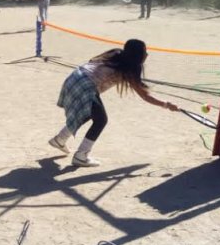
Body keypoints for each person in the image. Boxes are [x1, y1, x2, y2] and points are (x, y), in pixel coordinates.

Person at [48, 39, 179, 166]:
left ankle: (60, 139)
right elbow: (145, 96)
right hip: (86, 85)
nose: (147, 54)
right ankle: (81, 155)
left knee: (88, 113)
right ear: (138, 55)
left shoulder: (116, 53)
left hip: (74, 77)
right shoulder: (130, 68)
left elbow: (92, 62)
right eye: (145, 51)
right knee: (101, 120)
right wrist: (167, 105)